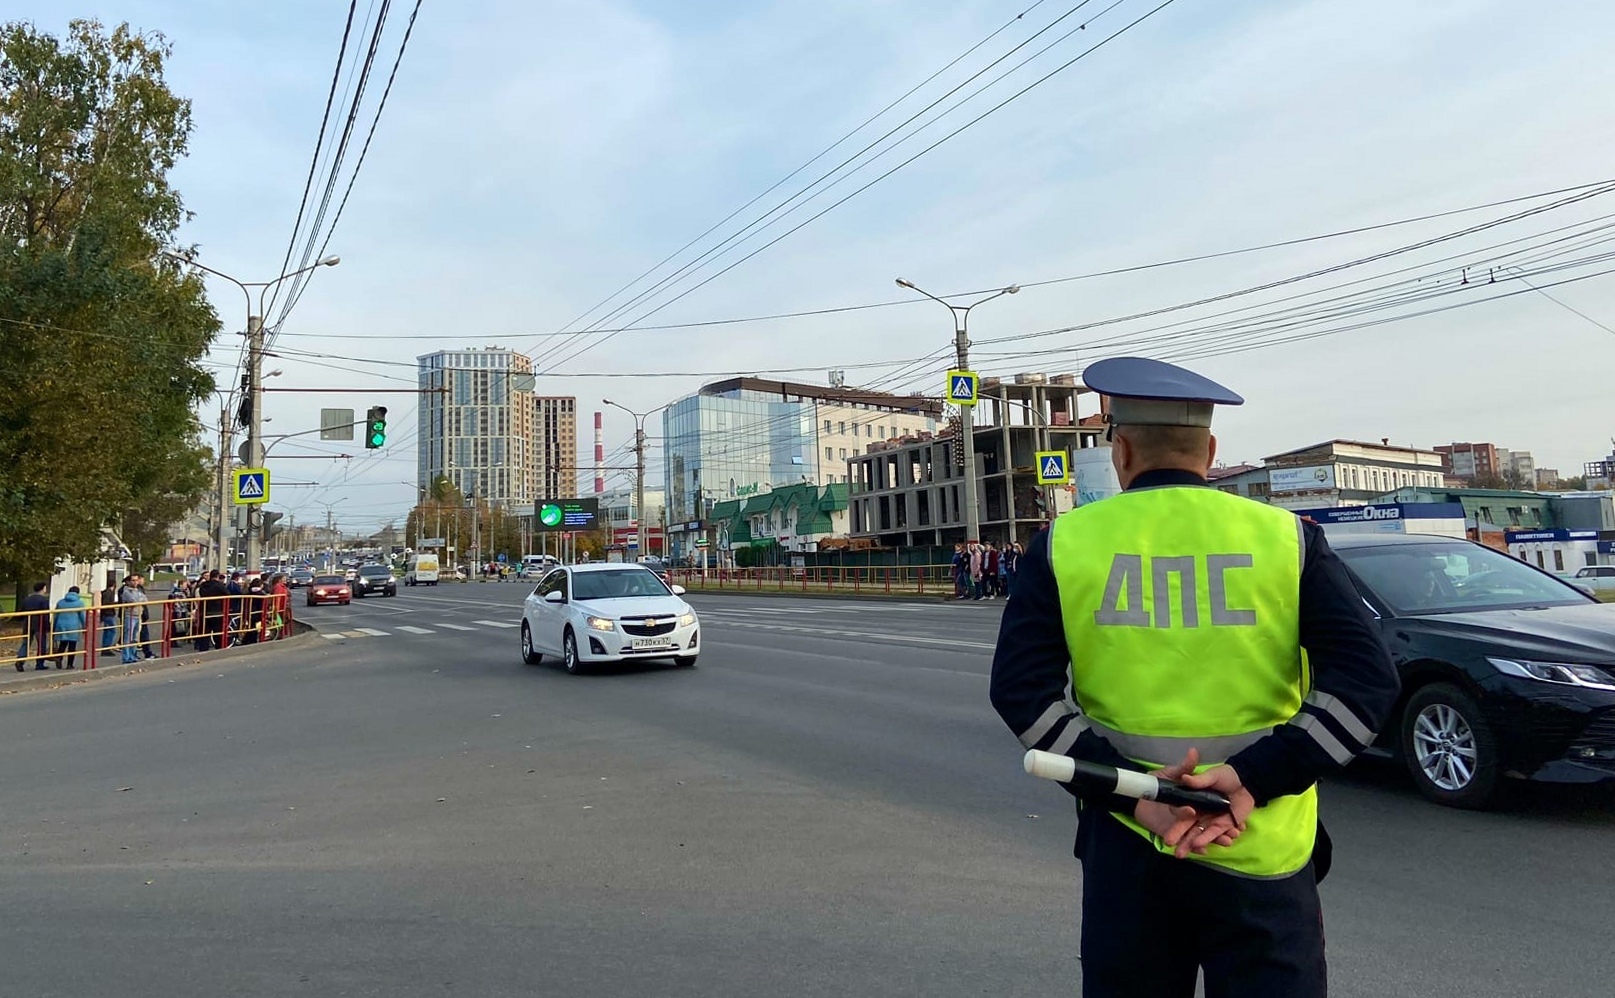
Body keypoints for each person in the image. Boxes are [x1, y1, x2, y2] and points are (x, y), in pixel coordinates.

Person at [988, 356, 1401, 998]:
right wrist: (1252, 779)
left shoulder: (1065, 543)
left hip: (1129, 849)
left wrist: (1136, 797)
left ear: (1120, 449)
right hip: (1263, 846)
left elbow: (1021, 692)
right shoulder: (1287, 539)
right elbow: (1366, 685)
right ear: (1210, 449)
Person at [51, 586, 88, 669]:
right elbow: (83, 617)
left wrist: (53, 627)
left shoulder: (60, 602)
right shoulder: (79, 603)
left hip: (61, 625)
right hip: (73, 626)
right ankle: (69, 664)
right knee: (72, 646)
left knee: (62, 644)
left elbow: (56, 615)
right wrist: (85, 627)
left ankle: (59, 658)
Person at [17, 582, 52, 672]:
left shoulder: (27, 599)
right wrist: (48, 626)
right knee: (41, 644)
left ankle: (20, 661)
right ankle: (39, 664)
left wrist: (20, 619)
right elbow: (45, 614)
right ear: (43, 588)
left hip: (27, 624)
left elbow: (21, 612)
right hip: (39, 625)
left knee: (26, 643)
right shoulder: (43, 600)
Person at [197, 570, 230, 651]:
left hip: (204, 611)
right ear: (217, 576)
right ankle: (219, 649)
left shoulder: (204, 585)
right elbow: (228, 594)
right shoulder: (219, 585)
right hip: (217, 612)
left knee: (205, 633)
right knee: (218, 633)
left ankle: (203, 649)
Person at [117, 576, 143, 664]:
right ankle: (126, 657)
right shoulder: (126, 591)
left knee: (135, 638)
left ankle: (133, 655)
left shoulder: (138, 590)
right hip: (130, 615)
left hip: (137, 614)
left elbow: (145, 599)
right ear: (128, 582)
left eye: (136, 580)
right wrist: (138, 601)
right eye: (133, 580)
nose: (135, 582)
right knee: (128, 637)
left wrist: (139, 600)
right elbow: (134, 600)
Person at [98, 574, 119, 657]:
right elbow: (106, 603)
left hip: (107, 614)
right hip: (108, 614)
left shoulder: (107, 592)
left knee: (108, 631)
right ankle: (106, 648)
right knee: (111, 631)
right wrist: (113, 605)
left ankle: (105, 648)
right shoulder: (109, 592)